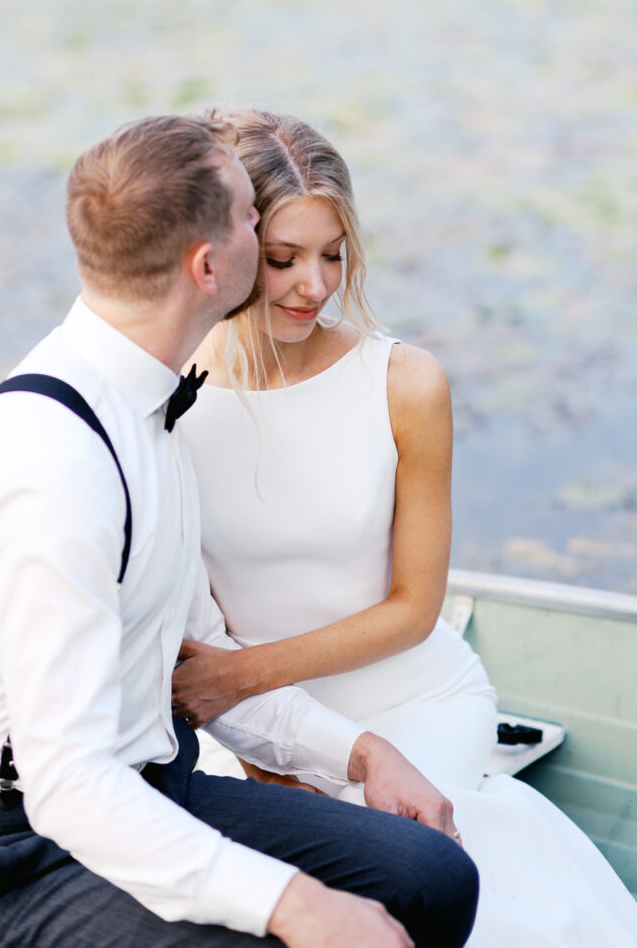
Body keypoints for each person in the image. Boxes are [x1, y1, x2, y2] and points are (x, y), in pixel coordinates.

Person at [0, 114, 481, 948]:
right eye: (253, 222)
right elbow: (67, 783)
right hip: (11, 840)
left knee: (431, 877)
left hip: (155, 777)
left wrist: (359, 753)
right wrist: (292, 903)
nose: (276, 242)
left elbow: (199, 653)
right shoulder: (53, 457)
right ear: (212, 266)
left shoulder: (154, 408)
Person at [174, 109, 637, 946]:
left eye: (332, 255)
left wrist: (236, 679)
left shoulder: (403, 383)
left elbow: (412, 609)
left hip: (409, 701)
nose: (312, 285)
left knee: (397, 879)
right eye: (282, 259)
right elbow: (193, 623)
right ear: (230, 247)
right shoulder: (169, 396)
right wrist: (258, 761)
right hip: (243, 724)